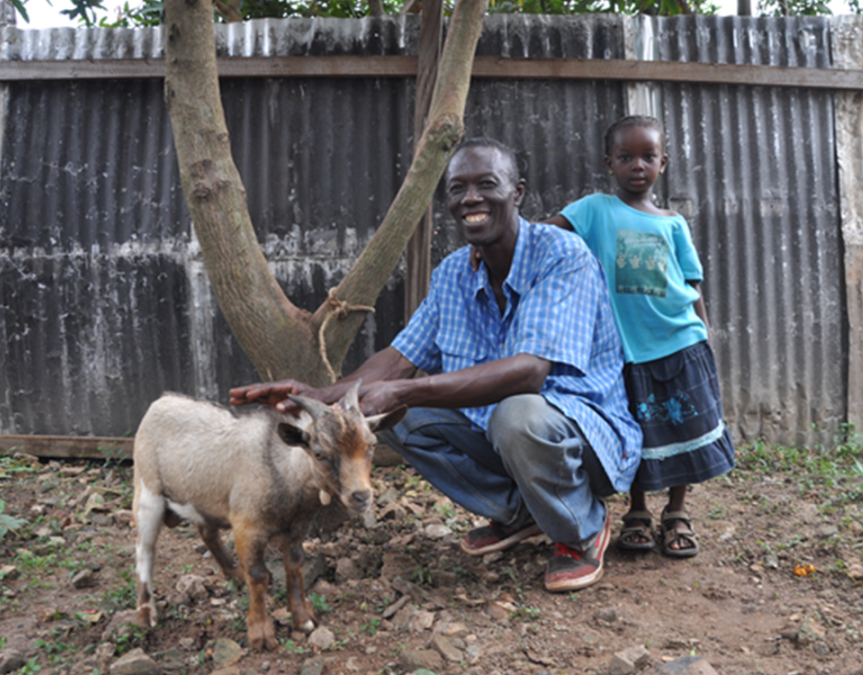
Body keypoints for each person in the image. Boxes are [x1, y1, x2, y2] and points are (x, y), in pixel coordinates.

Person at [229, 138, 643, 592]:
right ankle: (524, 511)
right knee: (390, 417)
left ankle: (581, 528)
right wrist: (316, 396)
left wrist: (403, 391)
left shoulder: (562, 255)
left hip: (582, 438)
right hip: (505, 436)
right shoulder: (453, 273)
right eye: (458, 189)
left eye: (487, 185)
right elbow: (398, 361)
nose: (470, 199)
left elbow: (528, 373)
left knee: (516, 413)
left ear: (518, 192)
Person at [540, 116, 735, 557]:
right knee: (637, 433)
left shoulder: (674, 223)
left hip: (681, 342)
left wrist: (704, 338)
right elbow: (540, 234)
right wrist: (492, 241)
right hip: (625, 352)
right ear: (608, 163)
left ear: (663, 163)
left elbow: (691, 285)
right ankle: (639, 510)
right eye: (626, 157)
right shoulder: (594, 210)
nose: (637, 166)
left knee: (685, 427)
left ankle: (678, 511)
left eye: (648, 157)